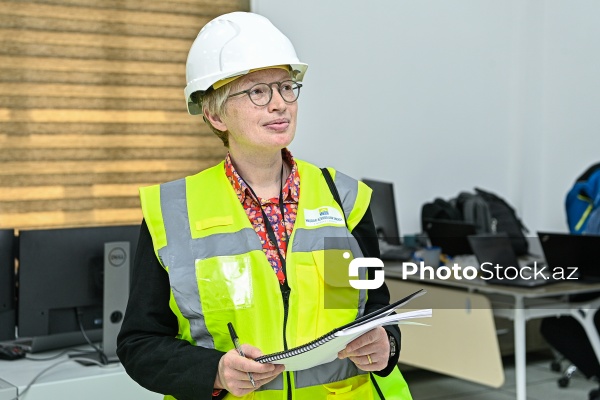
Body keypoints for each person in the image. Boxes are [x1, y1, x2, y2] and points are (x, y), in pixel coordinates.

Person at [117, 11, 412, 400]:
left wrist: (385, 343)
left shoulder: (344, 198)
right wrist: (215, 372)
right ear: (215, 113)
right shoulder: (173, 211)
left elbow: (376, 310)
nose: (280, 104)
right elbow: (140, 343)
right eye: (257, 92)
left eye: (286, 87)